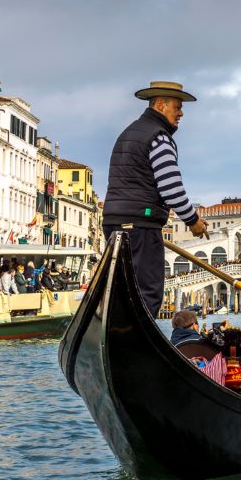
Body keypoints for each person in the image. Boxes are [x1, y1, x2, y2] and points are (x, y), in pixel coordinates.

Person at [102, 81, 208, 317]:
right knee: (147, 292)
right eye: (177, 107)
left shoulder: (129, 133)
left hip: (113, 222)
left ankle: (117, 341)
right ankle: (133, 349)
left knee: (124, 290)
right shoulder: (158, 138)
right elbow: (171, 187)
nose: (181, 113)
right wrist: (193, 221)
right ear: (161, 105)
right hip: (141, 225)